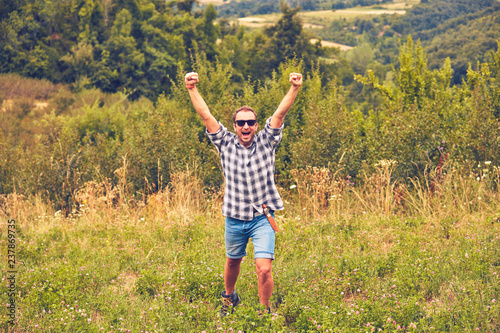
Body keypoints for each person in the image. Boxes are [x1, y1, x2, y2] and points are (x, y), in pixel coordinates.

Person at [185, 71, 303, 317]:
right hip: (234, 218)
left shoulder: (267, 141)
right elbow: (205, 115)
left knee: (263, 268)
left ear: (257, 125)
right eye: (241, 123)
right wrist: (191, 89)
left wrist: (294, 88)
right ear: (235, 125)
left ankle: (264, 312)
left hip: (262, 216)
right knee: (232, 262)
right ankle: (229, 296)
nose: (246, 126)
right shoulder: (225, 143)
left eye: (251, 122)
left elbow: (280, 114)